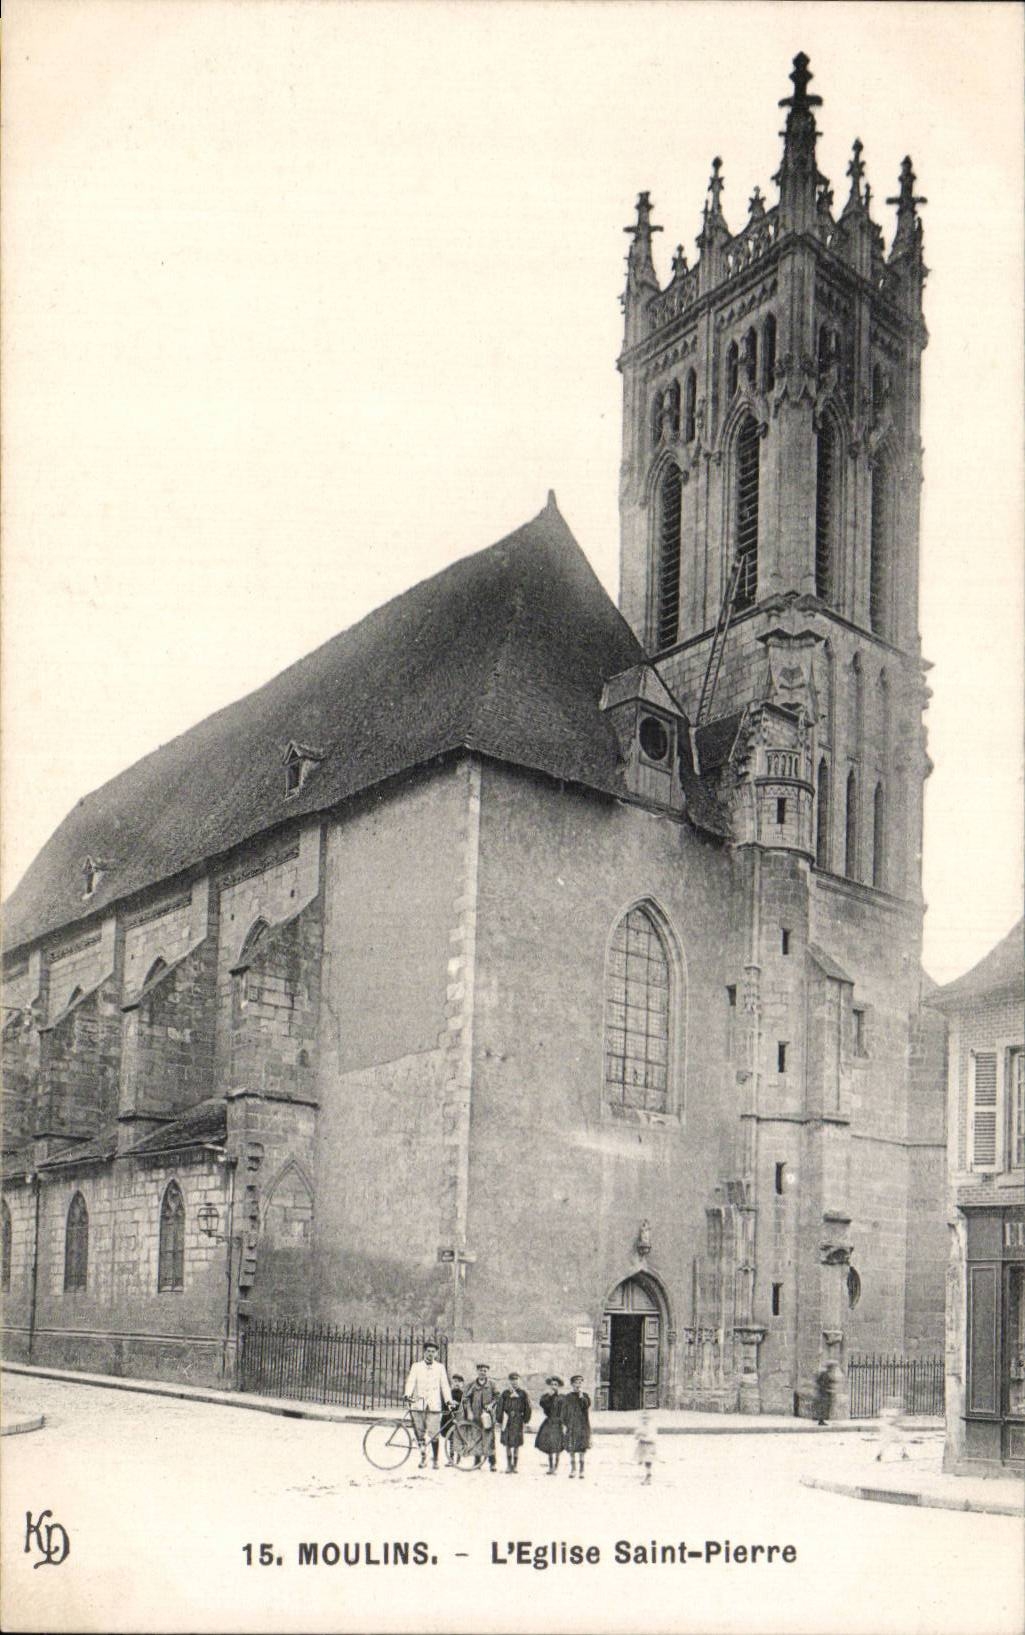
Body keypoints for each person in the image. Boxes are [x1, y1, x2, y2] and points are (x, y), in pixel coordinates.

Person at [403, 1340, 452, 1469]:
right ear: (424, 1352)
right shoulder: (416, 1366)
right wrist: (407, 1394)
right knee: (419, 1433)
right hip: (418, 1404)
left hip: (433, 1405)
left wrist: (448, 1401)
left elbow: (445, 1385)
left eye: (433, 1352)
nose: (430, 1354)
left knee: (434, 1433)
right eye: (428, 1351)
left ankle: (435, 1459)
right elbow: (411, 1381)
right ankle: (423, 1457)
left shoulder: (440, 1367)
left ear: (436, 1353)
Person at [465, 1362, 500, 1471]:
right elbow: (466, 1399)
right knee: (476, 1438)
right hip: (475, 1416)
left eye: (485, 1371)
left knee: (489, 1439)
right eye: (481, 1370)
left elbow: (497, 1397)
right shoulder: (472, 1385)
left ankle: (492, 1463)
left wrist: (491, 1405)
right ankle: (477, 1462)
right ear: (477, 1371)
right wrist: (469, 1412)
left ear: (487, 1372)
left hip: (487, 1417)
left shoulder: (492, 1384)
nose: (483, 1372)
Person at [496, 1372, 532, 1473]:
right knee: (507, 1443)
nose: (514, 1382)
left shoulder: (523, 1393)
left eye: (516, 1380)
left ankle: (515, 1466)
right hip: (507, 1420)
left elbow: (528, 1407)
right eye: (512, 1380)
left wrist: (525, 1420)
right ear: (509, 1381)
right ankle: (508, 1465)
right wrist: (499, 1420)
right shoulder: (505, 1393)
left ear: (519, 1381)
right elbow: (500, 1407)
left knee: (516, 1444)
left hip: (518, 1420)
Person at [562, 1374, 591, 1479]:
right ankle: (573, 1469)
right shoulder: (568, 1397)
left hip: (582, 1425)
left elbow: (586, 1406)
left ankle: (582, 1470)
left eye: (580, 1383)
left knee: (582, 1448)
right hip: (572, 1425)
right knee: (572, 1449)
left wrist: (581, 1396)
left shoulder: (585, 1396)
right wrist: (565, 1424)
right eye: (576, 1383)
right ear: (572, 1384)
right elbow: (564, 1412)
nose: (578, 1385)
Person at [534, 1375, 565, 1475]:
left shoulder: (562, 1398)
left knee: (558, 1445)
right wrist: (550, 1397)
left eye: (555, 1384)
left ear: (558, 1386)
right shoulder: (546, 1397)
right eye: (552, 1384)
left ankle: (556, 1466)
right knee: (550, 1445)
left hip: (559, 1422)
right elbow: (544, 1407)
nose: (553, 1386)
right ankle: (551, 1467)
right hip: (550, 1422)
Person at [441, 1373, 465, 1465]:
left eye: (459, 1382)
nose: (457, 1383)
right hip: (448, 1418)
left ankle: (458, 1456)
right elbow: (444, 1404)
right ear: (452, 1383)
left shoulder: (463, 1395)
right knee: (450, 1438)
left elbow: (463, 1406)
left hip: (458, 1418)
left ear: (462, 1384)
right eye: (455, 1381)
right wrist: (449, 1404)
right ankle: (451, 1458)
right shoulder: (448, 1394)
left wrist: (457, 1404)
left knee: (457, 1438)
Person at [634, 1409, 657, 1484]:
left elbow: (652, 1437)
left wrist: (643, 1437)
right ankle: (646, 1472)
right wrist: (638, 1435)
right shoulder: (641, 1426)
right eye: (643, 1418)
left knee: (648, 1460)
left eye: (646, 1418)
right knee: (643, 1459)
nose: (645, 1420)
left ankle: (648, 1475)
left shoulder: (651, 1427)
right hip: (642, 1446)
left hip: (649, 1446)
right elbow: (636, 1435)